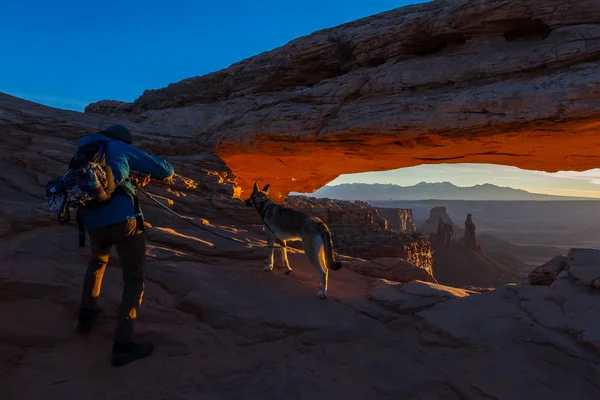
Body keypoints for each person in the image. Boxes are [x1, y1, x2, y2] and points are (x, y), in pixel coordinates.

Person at [75, 124, 174, 367]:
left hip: (92, 219)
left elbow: (104, 183)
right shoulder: (118, 147)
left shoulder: (85, 150)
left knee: (98, 262)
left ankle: (86, 317)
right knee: (133, 278)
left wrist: (131, 181)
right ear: (123, 140)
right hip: (123, 220)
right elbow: (165, 169)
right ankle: (123, 345)